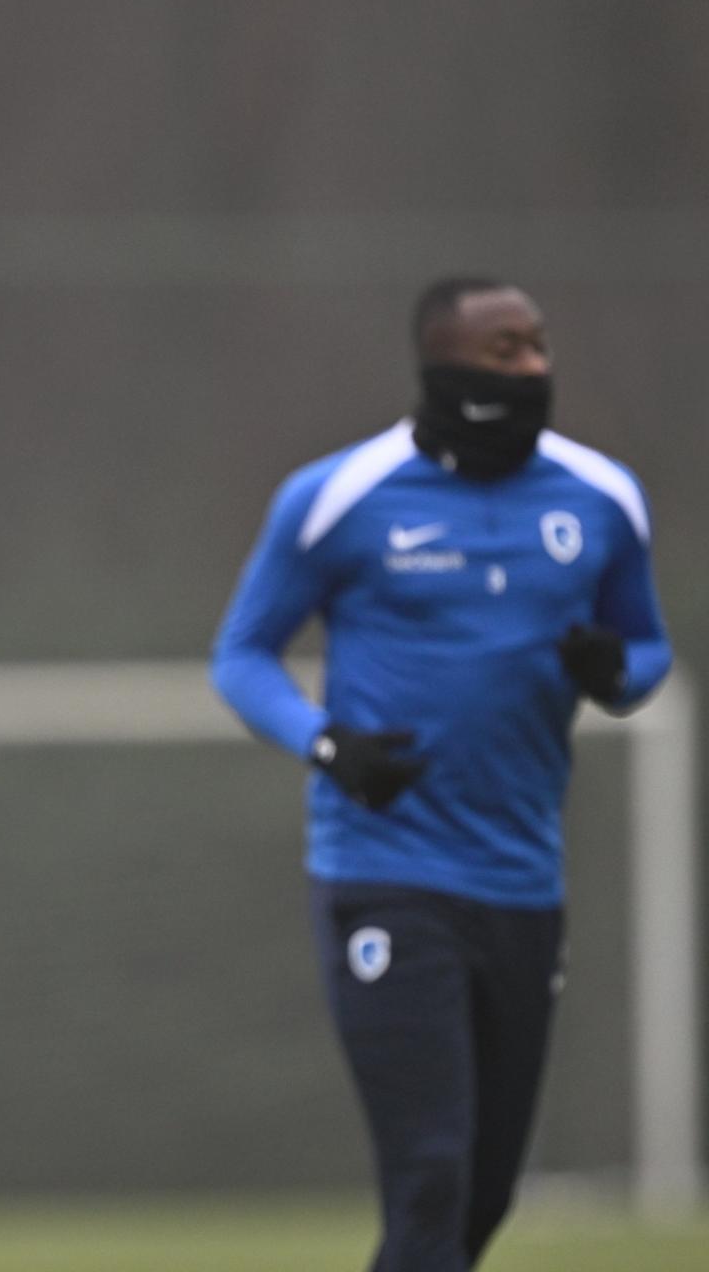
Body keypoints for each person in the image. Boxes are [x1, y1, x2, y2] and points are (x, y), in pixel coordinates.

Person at [212, 277, 670, 1271]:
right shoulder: (337, 497)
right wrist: (327, 742)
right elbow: (242, 655)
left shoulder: (601, 497)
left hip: (523, 880)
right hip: (384, 869)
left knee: (480, 1202)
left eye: (540, 345)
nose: (533, 365)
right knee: (429, 1174)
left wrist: (615, 672)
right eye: (505, 350)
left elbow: (649, 650)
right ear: (445, 362)